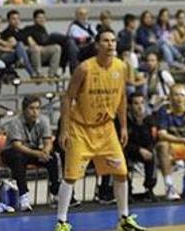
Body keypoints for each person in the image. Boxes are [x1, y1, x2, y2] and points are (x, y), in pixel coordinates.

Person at [53, 30, 145, 231]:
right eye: (106, 40)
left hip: (106, 129)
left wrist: (123, 126)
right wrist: (64, 130)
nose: (111, 44)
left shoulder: (121, 67)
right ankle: (61, 222)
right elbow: (67, 98)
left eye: (113, 40)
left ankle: (124, 219)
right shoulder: (84, 68)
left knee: (121, 173)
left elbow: (121, 98)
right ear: (97, 45)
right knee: (70, 176)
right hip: (81, 128)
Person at [1, 95, 59, 211]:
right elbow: (17, 146)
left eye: (37, 108)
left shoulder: (44, 120)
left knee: (52, 157)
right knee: (19, 158)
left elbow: (48, 141)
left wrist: (46, 152)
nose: (35, 112)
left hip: (31, 150)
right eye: (31, 108)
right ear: (24, 110)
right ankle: (23, 196)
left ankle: (55, 193)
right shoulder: (15, 123)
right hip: (11, 152)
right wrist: (37, 154)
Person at [123, 91, 158, 201]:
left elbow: (152, 140)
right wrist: (138, 150)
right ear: (129, 106)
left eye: (142, 103)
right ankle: (126, 190)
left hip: (144, 149)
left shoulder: (149, 119)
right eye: (136, 103)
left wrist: (140, 123)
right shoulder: (124, 119)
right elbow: (122, 142)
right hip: (128, 149)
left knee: (153, 154)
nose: (140, 106)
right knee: (120, 156)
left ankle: (149, 189)